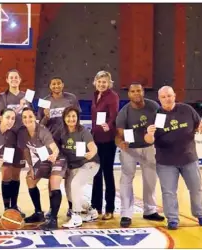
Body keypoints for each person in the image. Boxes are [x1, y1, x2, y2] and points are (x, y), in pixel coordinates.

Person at [144, 86, 202, 230]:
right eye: (163, 97)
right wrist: (149, 133)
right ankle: (172, 219)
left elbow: (200, 128)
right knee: (168, 192)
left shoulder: (187, 110)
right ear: (159, 99)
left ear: (174, 96)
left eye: (169, 95)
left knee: (196, 188)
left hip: (189, 158)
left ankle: (199, 214)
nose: (167, 99)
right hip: (166, 162)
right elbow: (149, 140)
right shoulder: (155, 115)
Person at [115, 82, 165, 227]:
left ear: (143, 92)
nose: (136, 93)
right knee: (126, 179)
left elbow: (161, 127)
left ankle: (150, 210)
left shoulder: (154, 107)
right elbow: (118, 135)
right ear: (129, 94)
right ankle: (126, 214)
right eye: (133, 91)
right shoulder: (124, 112)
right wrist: (120, 143)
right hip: (130, 150)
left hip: (149, 147)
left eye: (139, 90)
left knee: (150, 179)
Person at [37, 77, 80, 217]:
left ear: (63, 84)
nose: (56, 85)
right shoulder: (44, 101)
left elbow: (76, 118)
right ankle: (52, 209)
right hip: (52, 143)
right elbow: (40, 124)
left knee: (71, 175)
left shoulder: (71, 98)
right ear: (50, 86)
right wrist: (46, 117)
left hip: (69, 141)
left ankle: (73, 207)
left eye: (58, 83)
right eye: (53, 83)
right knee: (53, 176)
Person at [18, 107, 66, 230]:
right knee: (29, 178)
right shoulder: (23, 132)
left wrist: (54, 155)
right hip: (43, 160)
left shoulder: (42, 131)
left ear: (35, 118)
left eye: (30, 116)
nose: (27, 119)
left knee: (53, 182)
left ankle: (53, 220)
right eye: (24, 117)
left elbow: (54, 148)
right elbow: (26, 151)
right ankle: (39, 213)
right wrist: (31, 167)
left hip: (56, 158)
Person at [0, 69, 28, 216]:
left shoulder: (27, 97)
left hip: (21, 140)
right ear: (7, 80)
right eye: (11, 77)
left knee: (16, 174)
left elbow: (30, 117)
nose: (14, 79)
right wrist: (19, 107)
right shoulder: (1, 98)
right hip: (6, 140)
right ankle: (6, 207)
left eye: (16, 77)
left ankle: (14, 206)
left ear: (20, 80)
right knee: (6, 172)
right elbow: (0, 117)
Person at [59, 107, 100, 228]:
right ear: (64, 118)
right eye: (68, 116)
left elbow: (93, 147)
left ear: (77, 118)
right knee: (71, 194)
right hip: (73, 166)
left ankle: (76, 216)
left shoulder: (83, 131)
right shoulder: (62, 132)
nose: (71, 119)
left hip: (89, 163)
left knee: (75, 184)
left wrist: (91, 153)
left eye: (73, 116)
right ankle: (91, 210)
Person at [90, 71, 119, 220]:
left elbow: (114, 115)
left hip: (108, 139)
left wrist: (108, 125)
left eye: (105, 82)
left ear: (109, 83)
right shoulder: (95, 95)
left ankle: (110, 208)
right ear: (95, 82)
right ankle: (95, 207)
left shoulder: (112, 96)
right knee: (96, 173)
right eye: (99, 81)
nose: (102, 84)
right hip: (96, 138)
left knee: (107, 173)